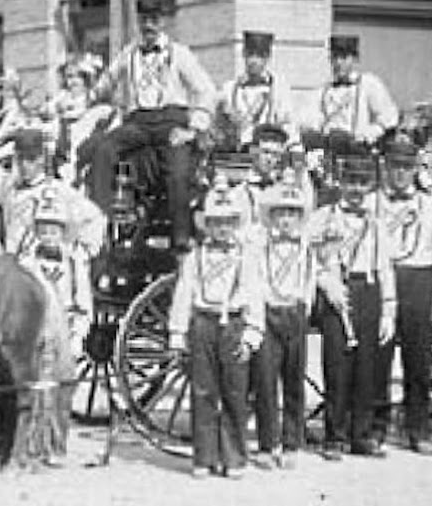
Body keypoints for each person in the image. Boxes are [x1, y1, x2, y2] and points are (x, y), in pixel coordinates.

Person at [87, 0, 218, 252]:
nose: (148, 26)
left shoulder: (180, 54)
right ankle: (101, 222)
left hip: (171, 121)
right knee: (104, 150)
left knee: (178, 171)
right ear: (138, 21)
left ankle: (181, 236)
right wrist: (84, 99)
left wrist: (193, 128)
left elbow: (206, 90)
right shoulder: (128, 54)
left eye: (154, 20)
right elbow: (103, 85)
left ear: (163, 23)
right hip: (139, 123)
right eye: (144, 20)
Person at [168, 186, 264, 478]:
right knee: (203, 391)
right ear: (207, 225)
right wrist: (177, 332)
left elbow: (254, 293)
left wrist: (252, 333)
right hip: (203, 324)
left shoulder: (245, 256)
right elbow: (184, 293)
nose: (222, 228)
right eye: (216, 222)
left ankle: (234, 457)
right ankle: (204, 456)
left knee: (235, 392)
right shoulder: (195, 257)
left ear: (235, 225)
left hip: (233, 324)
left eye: (228, 222)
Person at [309, 159, 396, 459]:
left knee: (366, 369)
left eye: (363, 183)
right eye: (351, 182)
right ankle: (335, 436)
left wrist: (388, 310)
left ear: (370, 186)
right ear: (341, 183)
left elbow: (385, 268)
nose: (356, 189)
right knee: (336, 366)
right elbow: (308, 257)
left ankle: (361, 435)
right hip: (336, 291)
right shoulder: (322, 217)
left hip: (368, 291)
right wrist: (325, 282)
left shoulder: (376, 222)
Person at [371, 137, 432, 456]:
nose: (401, 174)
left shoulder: (430, 204)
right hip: (383, 277)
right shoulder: (372, 202)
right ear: (385, 168)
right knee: (379, 356)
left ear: (415, 169)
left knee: (418, 359)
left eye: (407, 167)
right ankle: (376, 426)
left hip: (419, 276)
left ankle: (418, 428)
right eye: (395, 167)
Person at [249, 182, 314, 470]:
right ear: (271, 217)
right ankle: (267, 443)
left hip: (295, 313)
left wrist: (303, 307)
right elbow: (257, 279)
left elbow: (309, 280)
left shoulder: (305, 247)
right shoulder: (260, 247)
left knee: (294, 380)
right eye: (281, 214)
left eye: (292, 214)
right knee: (265, 380)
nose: (286, 220)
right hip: (268, 312)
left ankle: (291, 443)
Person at [1, 128, 105, 259]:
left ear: (42, 159)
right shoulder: (9, 188)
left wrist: (77, 255)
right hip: (11, 263)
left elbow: (95, 218)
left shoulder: (58, 190)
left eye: (31, 159)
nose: (24, 165)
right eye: (20, 158)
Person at [17, 195, 94, 370]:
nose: (48, 237)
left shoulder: (74, 265)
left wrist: (78, 337)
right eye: (43, 232)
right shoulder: (27, 265)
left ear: (62, 233)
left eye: (53, 232)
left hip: (64, 330)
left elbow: (83, 304)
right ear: (36, 233)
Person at [312, 35, 399, 148]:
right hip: (329, 151)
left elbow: (389, 116)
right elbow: (315, 119)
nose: (338, 63)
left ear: (355, 59)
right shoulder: (325, 90)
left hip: (358, 154)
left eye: (343, 58)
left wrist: (370, 133)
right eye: (334, 58)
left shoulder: (368, 83)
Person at [215, 31, 295, 149]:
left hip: (267, 155)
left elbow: (288, 126)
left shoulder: (279, 89)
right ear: (243, 54)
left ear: (268, 57)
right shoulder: (229, 89)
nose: (254, 61)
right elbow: (218, 125)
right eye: (250, 54)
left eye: (260, 56)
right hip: (236, 155)